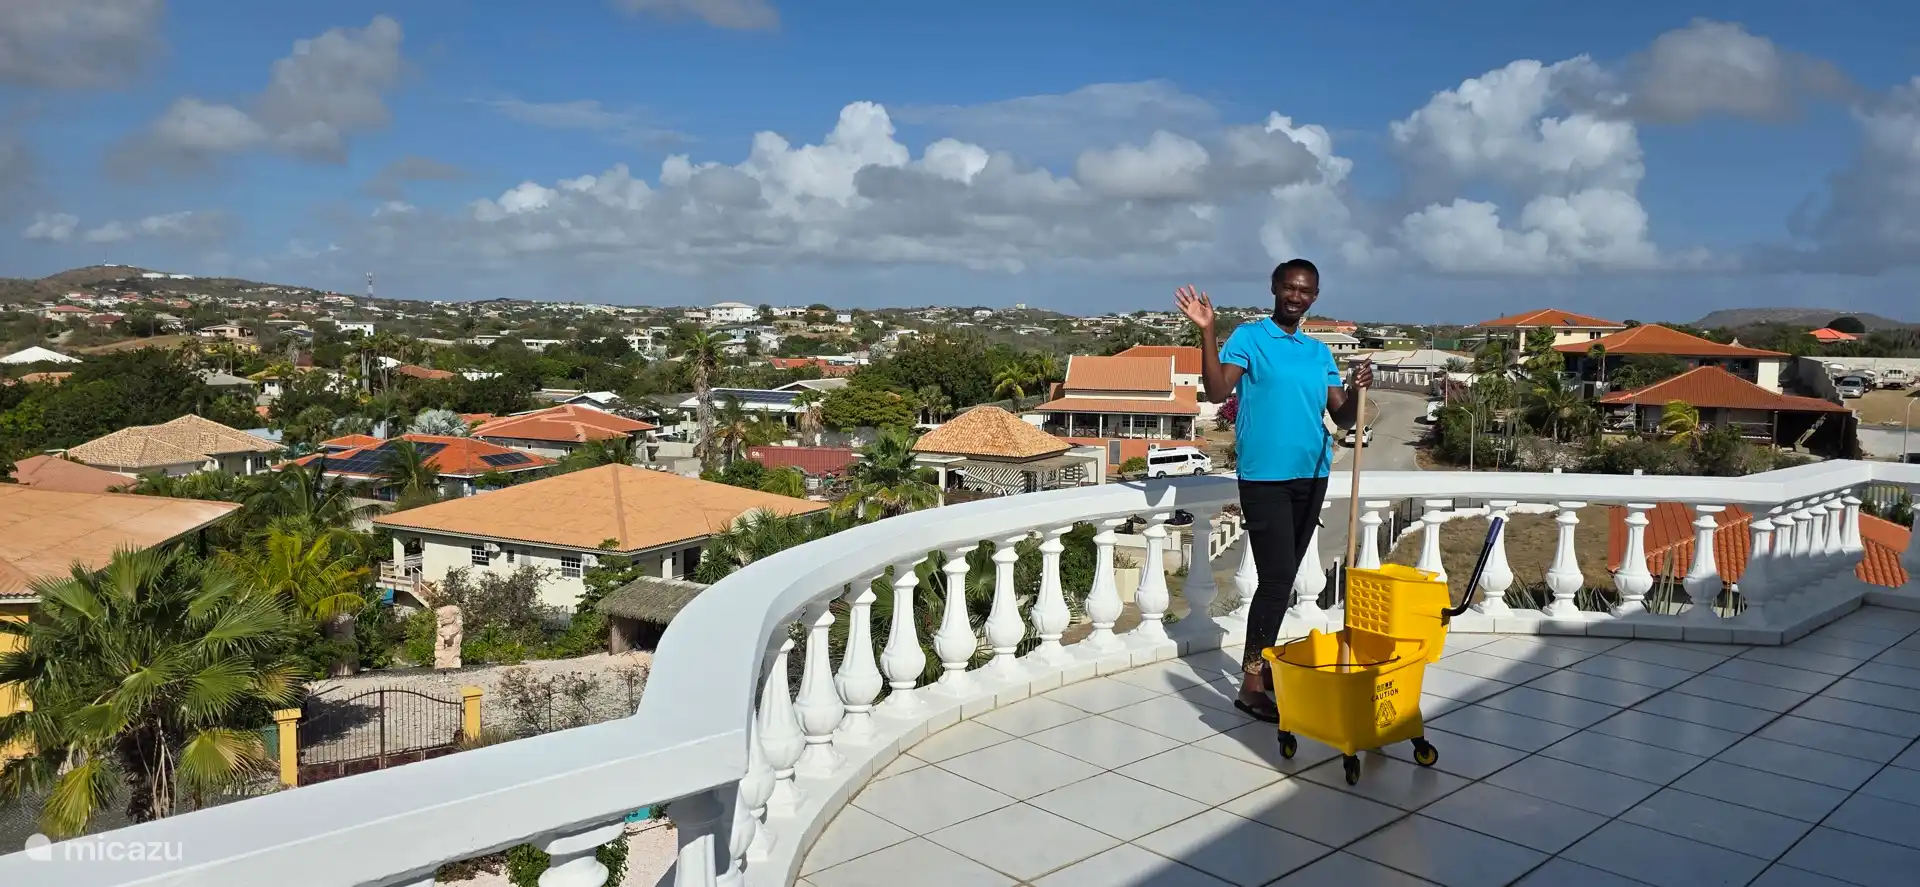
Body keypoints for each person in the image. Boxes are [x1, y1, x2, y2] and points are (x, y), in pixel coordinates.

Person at [1176, 258, 1370, 722]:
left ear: (1314, 297)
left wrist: (1358, 389)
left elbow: (1342, 417)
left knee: (1282, 578)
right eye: (1289, 287)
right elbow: (1218, 391)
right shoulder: (1249, 338)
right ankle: (1251, 683)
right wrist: (1208, 331)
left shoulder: (1317, 352)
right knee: (1278, 578)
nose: (1296, 296)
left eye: (1305, 290)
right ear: (1275, 288)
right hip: (1264, 477)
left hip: (1313, 473)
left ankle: (1259, 674)